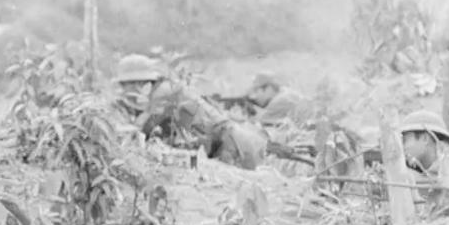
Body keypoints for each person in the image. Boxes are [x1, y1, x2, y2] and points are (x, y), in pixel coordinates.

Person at [113, 54, 266, 170]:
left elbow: (144, 128)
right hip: (229, 142)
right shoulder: (162, 90)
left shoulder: (163, 93)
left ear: (138, 83)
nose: (125, 91)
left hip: (233, 145)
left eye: (125, 86)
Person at [246, 72, 310, 128]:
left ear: (268, 88)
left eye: (256, 91)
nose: (255, 97)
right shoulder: (288, 93)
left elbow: (258, 128)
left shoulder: (278, 102)